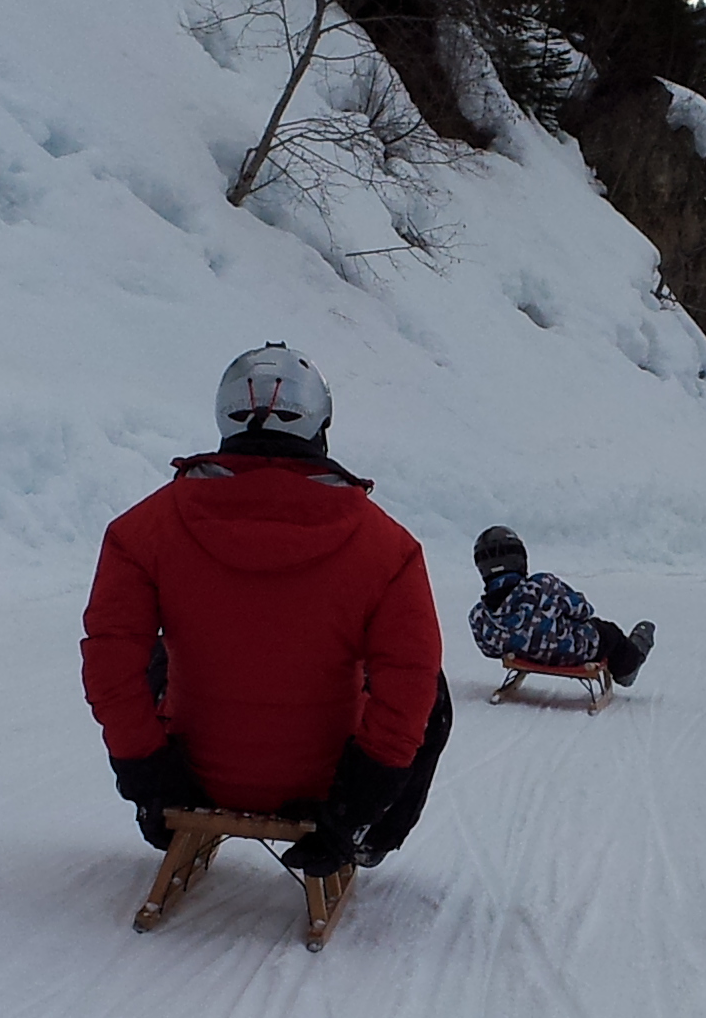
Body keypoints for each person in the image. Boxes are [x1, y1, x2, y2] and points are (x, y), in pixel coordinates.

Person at [82, 345, 452, 876]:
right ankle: (363, 834)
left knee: (146, 655)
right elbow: (409, 681)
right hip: (326, 786)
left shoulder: (141, 530)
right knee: (427, 687)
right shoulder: (389, 547)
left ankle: (163, 806)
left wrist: (150, 779)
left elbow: (110, 665)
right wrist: (355, 804)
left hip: (192, 777)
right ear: (320, 423)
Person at [466, 526, 655, 684]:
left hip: (520, 656)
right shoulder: (541, 586)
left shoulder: (478, 616)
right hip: (574, 652)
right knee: (609, 633)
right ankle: (629, 667)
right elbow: (584, 610)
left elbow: (489, 651)